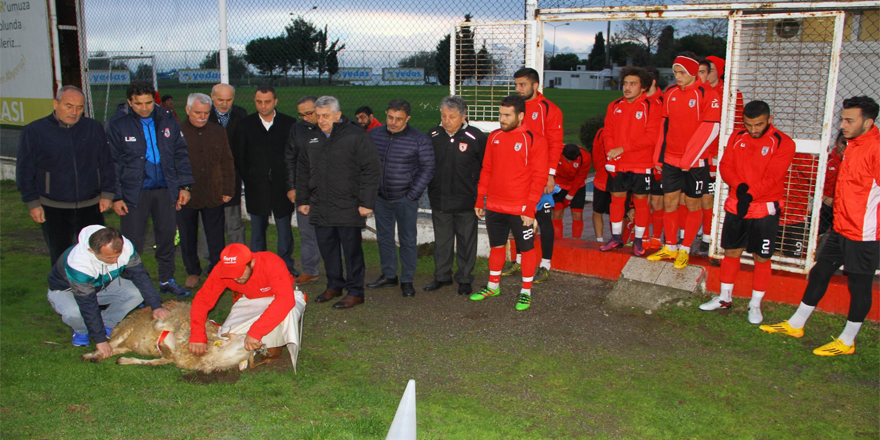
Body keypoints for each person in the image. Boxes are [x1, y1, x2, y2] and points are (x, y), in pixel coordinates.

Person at [761, 96, 880, 356]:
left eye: (849, 120)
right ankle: (796, 324)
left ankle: (847, 341)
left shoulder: (876, 149)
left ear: (868, 122)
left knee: (859, 286)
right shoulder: (852, 145)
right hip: (840, 227)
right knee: (819, 272)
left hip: (865, 234)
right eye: (842, 119)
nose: (843, 124)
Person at [697, 101, 795, 324]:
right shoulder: (736, 136)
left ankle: (755, 303)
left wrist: (749, 196)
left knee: (761, 257)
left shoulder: (783, 143)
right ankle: (724, 298)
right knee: (731, 251)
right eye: (749, 124)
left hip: (764, 208)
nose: (753, 130)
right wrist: (740, 188)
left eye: (758, 124)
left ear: (770, 119)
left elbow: (773, 177)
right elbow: (725, 166)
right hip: (736, 204)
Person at [106, 81, 194, 297]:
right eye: (138, 104)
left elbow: (180, 153)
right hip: (134, 193)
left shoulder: (166, 118)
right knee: (131, 241)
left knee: (166, 237)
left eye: (148, 103)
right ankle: (129, 288)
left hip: (165, 190)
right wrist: (116, 196)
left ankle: (166, 280)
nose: (144, 108)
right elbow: (111, 162)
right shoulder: (117, 124)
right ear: (129, 102)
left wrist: (184, 185)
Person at [16, 85, 117, 267]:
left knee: (95, 254)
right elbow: (25, 170)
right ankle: (62, 291)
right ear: (56, 104)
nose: (74, 112)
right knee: (61, 256)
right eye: (69, 106)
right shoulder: (34, 131)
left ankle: (95, 291)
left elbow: (106, 163)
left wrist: (108, 193)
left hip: (90, 206)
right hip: (53, 207)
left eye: (79, 107)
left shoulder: (93, 128)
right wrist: (33, 202)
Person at [296, 96, 380, 309]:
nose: (321, 120)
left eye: (326, 116)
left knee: (351, 250)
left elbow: (371, 169)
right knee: (327, 248)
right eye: (318, 116)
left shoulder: (356, 136)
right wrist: (303, 198)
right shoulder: (312, 137)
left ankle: (355, 291)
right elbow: (303, 170)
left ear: (338, 115)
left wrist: (366, 201)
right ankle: (334, 285)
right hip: (321, 204)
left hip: (348, 204)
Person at [471, 95, 548, 311]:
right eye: (500, 114)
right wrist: (480, 198)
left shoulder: (535, 139)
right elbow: (486, 169)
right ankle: (493, 286)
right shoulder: (494, 137)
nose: (501, 119)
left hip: (521, 208)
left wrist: (530, 207)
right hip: (495, 205)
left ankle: (526, 292)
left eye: (507, 115)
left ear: (520, 116)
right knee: (496, 246)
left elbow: (540, 177)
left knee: (526, 248)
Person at [648, 53, 721, 269]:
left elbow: (711, 128)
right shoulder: (670, 93)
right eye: (675, 73)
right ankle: (670, 246)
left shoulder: (707, 94)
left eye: (682, 73)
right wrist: (658, 156)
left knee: (692, 203)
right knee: (669, 201)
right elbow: (664, 126)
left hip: (695, 162)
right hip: (671, 158)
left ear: (692, 72)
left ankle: (686, 248)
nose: (677, 77)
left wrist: (690, 157)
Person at [47, 225, 169, 353]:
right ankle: (81, 330)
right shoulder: (78, 264)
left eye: (118, 255)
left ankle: (107, 323)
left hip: (101, 284)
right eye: (109, 258)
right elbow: (88, 303)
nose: (116, 261)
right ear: (91, 251)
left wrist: (156, 306)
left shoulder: (125, 246)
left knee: (136, 293)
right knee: (75, 312)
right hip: (67, 291)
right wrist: (100, 340)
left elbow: (140, 276)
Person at [188, 243, 306, 365]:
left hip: (285, 296)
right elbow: (202, 300)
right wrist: (197, 334)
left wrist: (255, 331)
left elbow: (285, 300)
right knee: (225, 340)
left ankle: (273, 344)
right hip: (251, 300)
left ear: (252, 262)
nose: (235, 277)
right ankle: (258, 341)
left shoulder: (270, 262)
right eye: (230, 272)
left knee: (287, 311)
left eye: (239, 271)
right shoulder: (220, 270)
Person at [366, 99, 435, 298]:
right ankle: (389, 275)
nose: (393, 122)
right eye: (390, 117)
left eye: (398, 119)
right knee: (384, 237)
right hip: (380, 198)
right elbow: (366, 162)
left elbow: (428, 168)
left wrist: (412, 194)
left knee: (408, 240)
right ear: (385, 114)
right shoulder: (374, 135)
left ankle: (407, 280)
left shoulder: (419, 139)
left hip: (405, 199)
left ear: (408, 118)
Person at [502, 68, 563, 283]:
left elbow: (555, 144)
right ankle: (519, 260)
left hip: (541, 175)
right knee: (518, 218)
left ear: (535, 85)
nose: (518, 89)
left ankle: (545, 264)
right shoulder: (515, 109)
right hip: (518, 177)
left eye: (522, 85)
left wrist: (550, 174)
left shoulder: (549, 109)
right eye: (516, 84)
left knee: (543, 219)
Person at [233, 86, 299, 276]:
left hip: (282, 186)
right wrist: (252, 178)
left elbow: (293, 155)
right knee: (257, 230)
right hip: (256, 187)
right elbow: (240, 157)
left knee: (284, 229)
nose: (263, 106)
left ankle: (285, 265)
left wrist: (290, 182)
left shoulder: (288, 123)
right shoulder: (245, 124)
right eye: (259, 102)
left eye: (267, 101)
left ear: (275, 101)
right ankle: (257, 267)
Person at [424, 95, 487, 296]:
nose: (446, 120)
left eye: (451, 116)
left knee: (467, 242)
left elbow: (487, 167)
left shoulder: (476, 137)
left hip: (466, 201)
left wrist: (480, 195)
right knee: (442, 242)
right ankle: (442, 276)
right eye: (443, 116)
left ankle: (465, 278)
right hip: (440, 198)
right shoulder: (433, 135)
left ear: (463, 116)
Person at [599, 67, 663, 257]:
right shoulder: (614, 105)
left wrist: (623, 148)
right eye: (625, 83)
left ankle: (638, 240)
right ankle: (616, 238)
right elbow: (608, 131)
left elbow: (651, 137)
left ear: (643, 87)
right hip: (618, 163)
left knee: (641, 202)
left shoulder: (652, 106)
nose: (627, 88)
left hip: (641, 163)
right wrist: (611, 152)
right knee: (616, 200)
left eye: (632, 84)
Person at [177, 93, 235, 289]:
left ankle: (217, 269)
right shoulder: (177, 132)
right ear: (187, 111)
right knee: (187, 235)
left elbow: (227, 160)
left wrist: (227, 187)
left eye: (206, 113)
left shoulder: (218, 131)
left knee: (216, 235)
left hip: (213, 192)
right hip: (186, 195)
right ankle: (192, 271)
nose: (202, 117)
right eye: (197, 113)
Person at [693, 56, 745, 257]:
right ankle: (695, 234)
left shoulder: (732, 94)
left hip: (719, 155)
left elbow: (738, 126)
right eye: (702, 70)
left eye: (711, 70)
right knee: (694, 198)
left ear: (721, 71)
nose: (705, 74)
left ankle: (708, 238)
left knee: (711, 198)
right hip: (699, 153)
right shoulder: (696, 92)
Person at [285, 95, 322, 285]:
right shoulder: (296, 129)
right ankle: (310, 270)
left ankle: (337, 269)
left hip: (328, 188)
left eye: (309, 113)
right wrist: (292, 187)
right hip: (303, 188)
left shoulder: (332, 127)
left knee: (334, 232)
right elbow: (290, 158)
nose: (305, 118)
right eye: (301, 115)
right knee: (307, 231)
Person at [208, 83, 249, 245]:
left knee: (234, 221)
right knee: (210, 223)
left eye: (229, 100)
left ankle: (239, 258)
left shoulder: (241, 115)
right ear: (212, 97)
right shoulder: (204, 115)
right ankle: (212, 260)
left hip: (233, 176)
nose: (224, 104)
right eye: (220, 100)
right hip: (208, 178)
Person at [644, 67, 666, 250]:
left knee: (658, 201)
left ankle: (657, 237)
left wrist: (661, 159)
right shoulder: (638, 101)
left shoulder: (664, 102)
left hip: (658, 161)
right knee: (642, 200)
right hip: (640, 160)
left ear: (652, 82)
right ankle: (641, 237)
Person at [552, 143, 590, 239]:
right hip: (558, 185)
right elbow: (551, 171)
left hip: (577, 186)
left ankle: (576, 242)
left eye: (572, 160)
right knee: (557, 214)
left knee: (577, 214)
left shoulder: (585, 157)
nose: (569, 162)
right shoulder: (555, 152)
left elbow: (580, 177)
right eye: (566, 160)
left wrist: (570, 196)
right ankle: (558, 242)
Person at [819, 131, 847, 235]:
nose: (846, 146)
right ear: (836, 143)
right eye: (844, 143)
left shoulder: (855, 162)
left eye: (849, 143)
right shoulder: (826, 161)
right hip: (826, 205)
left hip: (844, 206)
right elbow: (813, 182)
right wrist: (823, 197)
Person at [591, 126, 610, 243]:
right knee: (619, 213)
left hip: (602, 178)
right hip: (609, 178)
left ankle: (599, 239)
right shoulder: (602, 132)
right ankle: (618, 239)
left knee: (598, 211)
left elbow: (596, 154)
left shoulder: (601, 131)